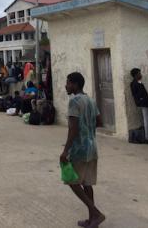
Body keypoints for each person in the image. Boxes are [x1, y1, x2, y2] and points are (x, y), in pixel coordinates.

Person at [60, 72, 105, 228]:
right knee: (86, 183)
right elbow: (100, 121)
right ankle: (93, 219)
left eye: (68, 82)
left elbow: (73, 129)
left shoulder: (74, 101)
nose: (66, 85)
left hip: (79, 149)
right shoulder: (90, 100)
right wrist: (88, 127)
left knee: (72, 181)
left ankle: (96, 213)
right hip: (92, 147)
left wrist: (65, 151)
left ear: (75, 85)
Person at [130, 68, 148, 142]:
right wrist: (143, 100)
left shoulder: (139, 82)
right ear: (136, 75)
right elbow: (137, 95)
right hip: (143, 103)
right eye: (139, 73)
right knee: (146, 120)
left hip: (145, 102)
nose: (140, 75)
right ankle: (147, 137)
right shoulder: (134, 83)